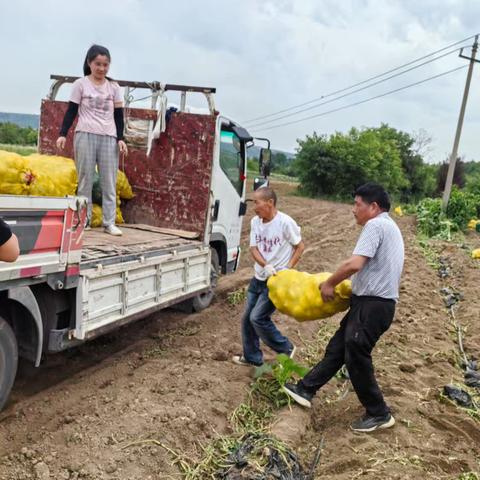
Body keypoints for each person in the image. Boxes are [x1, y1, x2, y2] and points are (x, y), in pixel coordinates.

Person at [283, 182, 404, 433]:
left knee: (356, 355)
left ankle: (379, 413)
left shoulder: (376, 224)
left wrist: (329, 284)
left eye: (357, 204)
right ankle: (306, 388)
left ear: (373, 207)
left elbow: (354, 264)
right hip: (372, 304)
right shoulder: (389, 226)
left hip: (374, 305)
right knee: (338, 348)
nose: (353, 209)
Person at [56, 44, 127, 236]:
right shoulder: (80, 84)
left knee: (109, 180)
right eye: (98, 64)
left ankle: (109, 222)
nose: (102, 68)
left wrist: (121, 138)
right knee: (85, 179)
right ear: (89, 63)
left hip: (108, 136)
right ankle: (83, 221)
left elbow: (119, 115)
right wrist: (63, 133)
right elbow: (71, 111)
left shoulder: (113, 87)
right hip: (85, 134)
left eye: (105, 65)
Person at [232, 186, 305, 367]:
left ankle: (286, 348)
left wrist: (287, 269)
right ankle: (252, 358)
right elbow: (253, 248)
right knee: (247, 319)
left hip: (276, 282)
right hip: (259, 277)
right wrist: (265, 265)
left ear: (270, 202)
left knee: (257, 318)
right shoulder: (256, 222)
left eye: (257, 202)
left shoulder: (285, 223)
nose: (254, 207)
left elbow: (300, 247)